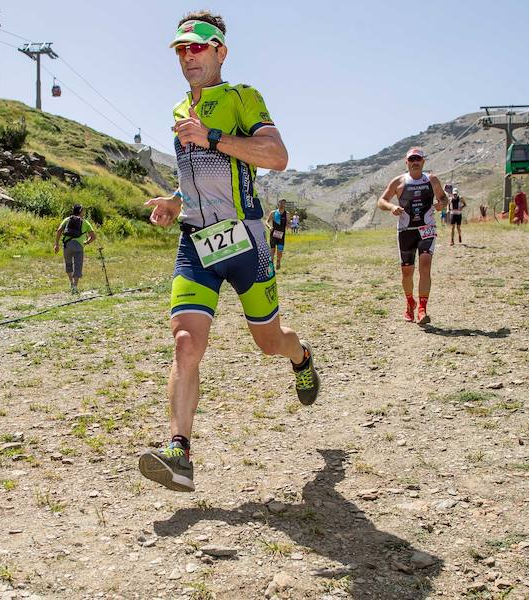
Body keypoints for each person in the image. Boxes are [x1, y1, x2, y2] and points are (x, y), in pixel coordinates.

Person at [139, 11, 320, 493]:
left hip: (246, 240)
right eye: (180, 49)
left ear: (220, 50)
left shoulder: (243, 97)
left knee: (269, 342)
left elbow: (277, 157)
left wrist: (214, 136)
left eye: (197, 47)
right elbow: (198, 179)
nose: (187, 56)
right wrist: (173, 203)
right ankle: (179, 452)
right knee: (185, 341)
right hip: (196, 240)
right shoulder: (179, 110)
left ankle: (300, 356)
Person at [376, 147, 448, 324]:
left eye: (418, 159)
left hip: (427, 228)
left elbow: (444, 198)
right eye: (412, 159)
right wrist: (392, 207)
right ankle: (410, 303)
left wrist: (441, 204)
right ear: (406, 162)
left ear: (423, 162)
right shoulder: (398, 181)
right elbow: (381, 201)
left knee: (425, 265)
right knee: (407, 272)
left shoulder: (432, 180)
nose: (415, 162)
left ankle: (423, 309)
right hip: (406, 231)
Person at [53, 204, 96, 295]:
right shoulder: (85, 222)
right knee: (78, 266)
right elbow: (93, 236)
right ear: (80, 211)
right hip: (79, 246)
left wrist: (56, 244)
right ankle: (75, 287)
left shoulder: (67, 219)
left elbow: (59, 230)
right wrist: (86, 242)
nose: (84, 212)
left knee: (68, 264)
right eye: (83, 211)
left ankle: (71, 283)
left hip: (67, 245)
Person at [266, 198, 287, 270]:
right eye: (281, 203)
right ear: (278, 203)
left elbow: (288, 224)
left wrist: (289, 225)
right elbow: (266, 222)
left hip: (282, 235)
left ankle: (278, 261)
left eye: (284, 203)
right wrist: (269, 227)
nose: (282, 204)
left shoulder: (287, 214)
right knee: (272, 250)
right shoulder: (273, 213)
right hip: (273, 234)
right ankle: (271, 265)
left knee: (279, 251)